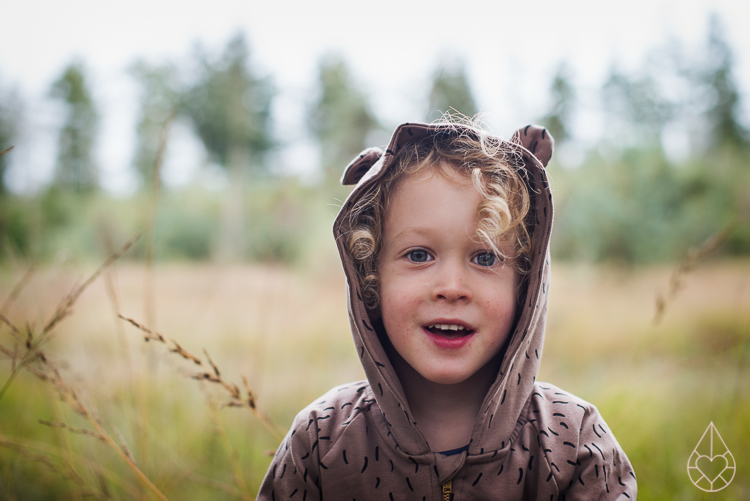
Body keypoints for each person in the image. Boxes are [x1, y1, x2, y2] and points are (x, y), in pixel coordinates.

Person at [258, 119, 637, 499]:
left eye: (485, 257)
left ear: (525, 285)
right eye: (419, 255)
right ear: (370, 278)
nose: (452, 289)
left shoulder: (574, 442)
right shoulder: (320, 441)